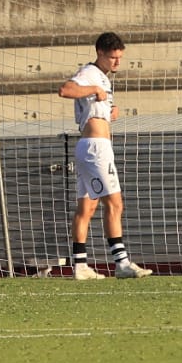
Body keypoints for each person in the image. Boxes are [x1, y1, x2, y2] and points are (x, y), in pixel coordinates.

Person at [58, 31, 152, 280]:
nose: (117, 62)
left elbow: (93, 104)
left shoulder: (102, 78)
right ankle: (121, 263)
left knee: (86, 207)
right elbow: (66, 90)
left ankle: (80, 266)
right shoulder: (90, 74)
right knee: (115, 203)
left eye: (120, 57)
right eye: (113, 57)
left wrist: (109, 109)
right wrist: (94, 89)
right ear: (100, 53)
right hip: (95, 149)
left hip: (91, 147)